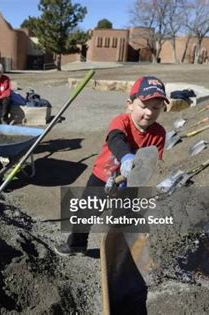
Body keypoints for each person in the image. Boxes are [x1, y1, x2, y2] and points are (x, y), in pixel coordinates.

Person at [54, 76, 168, 256]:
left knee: (121, 221)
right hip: (102, 176)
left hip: (129, 185)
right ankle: (77, 244)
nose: (149, 113)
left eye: (156, 108)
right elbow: (115, 139)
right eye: (144, 106)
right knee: (85, 214)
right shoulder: (121, 121)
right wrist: (126, 157)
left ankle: (117, 253)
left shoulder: (159, 134)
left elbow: (150, 163)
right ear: (130, 104)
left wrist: (132, 179)